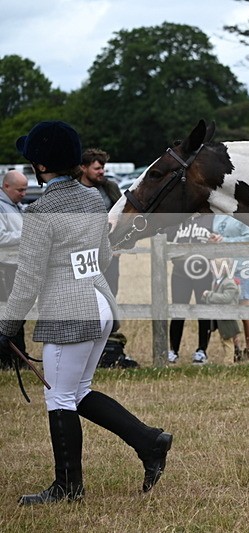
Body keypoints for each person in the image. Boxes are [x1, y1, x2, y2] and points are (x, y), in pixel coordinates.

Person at [0, 121, 171, 505]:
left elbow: (27, 279)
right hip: (100, 302)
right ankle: (149, 441)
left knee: (60, 398)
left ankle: (68, 487)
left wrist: (6, 327)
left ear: (41, 166)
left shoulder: (41, 211)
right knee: (77, 392)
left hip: (70, 311)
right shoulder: (93, 199)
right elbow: (104, 256)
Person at [166, 215, 217, 365]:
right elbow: (166, 239)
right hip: (180, 273)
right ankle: (173, 350)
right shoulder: (178, 218)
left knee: (203, 311)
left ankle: (201, 350)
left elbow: (220, 239)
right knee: (178, 311)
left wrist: (214, 242)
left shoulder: (209, 218)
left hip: (203, 272)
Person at [211, 214, 249, 361]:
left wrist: (224, 241)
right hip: (222, 269)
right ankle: (235, 349)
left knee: (244, 309)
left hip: (240, 268)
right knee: (228, 310)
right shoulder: (218, 215)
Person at [79, 148, 121, 295]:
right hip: (82, 255)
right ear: (83, 168)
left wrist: (118, 246)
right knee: (85, 296)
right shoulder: (73, 191)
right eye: (97, 168)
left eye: (102, 168)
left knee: (110, 294)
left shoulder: (110, 187)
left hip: (109, 254)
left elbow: (122, 217)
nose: (101, 172)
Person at [0, 170, 28, 369]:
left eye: (25, 190)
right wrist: (25, 233)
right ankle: (10, 359)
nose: (23, 194)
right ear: (6, 186)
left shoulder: (15, 205)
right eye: (20, 190)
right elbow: (1, 238)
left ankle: (18, 357)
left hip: (16, 268)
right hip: (5, 269)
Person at [202, 258, 242, 363]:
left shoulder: (229, 283)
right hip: (221, 316)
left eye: (214, 269)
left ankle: (229, 361)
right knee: (226, 339)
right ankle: (231, 358)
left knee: (227, 339)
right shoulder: (218, 281)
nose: (211, 271)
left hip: (227, 316)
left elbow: (225, 298)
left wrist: (209, 295)